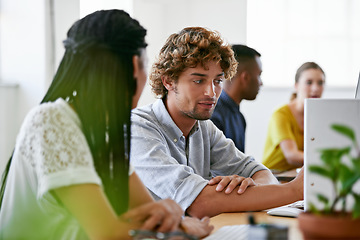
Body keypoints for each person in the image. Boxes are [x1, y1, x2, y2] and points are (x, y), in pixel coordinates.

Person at [0, 10, 213, 240]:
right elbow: (109, 235)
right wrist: (173, 218)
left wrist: (173, 220)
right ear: (135, 66)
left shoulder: (104, 131)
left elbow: (145, 213)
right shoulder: (52, 121)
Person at [131, 27, 304, 219]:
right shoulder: (137, 128)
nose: (211, 93)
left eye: (218, 81)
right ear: (168, 81)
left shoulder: (204, 127)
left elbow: (260, 172)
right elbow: (200, 203)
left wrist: (250, 186)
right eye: (198, 81)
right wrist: (295, 190)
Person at [262, 62, 325, 171]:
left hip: (297, 177)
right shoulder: (281, 114)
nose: (315, 88)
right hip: (274, 176)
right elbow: (292, 156)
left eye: (320, 83)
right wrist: (328, 159)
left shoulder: (319, 117)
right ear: (296, 86)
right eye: (309, 82)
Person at [210, 44, 262, 152]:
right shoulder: (212, 115)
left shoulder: (239, 117)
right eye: (259, 75)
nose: (261, 83)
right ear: (245, 77)